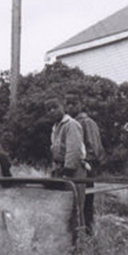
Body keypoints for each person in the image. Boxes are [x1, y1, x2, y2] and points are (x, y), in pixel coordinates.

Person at [46, 96, 89, 235]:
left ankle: (79, 242)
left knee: (75, 207)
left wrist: (68, 171)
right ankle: (65, 241)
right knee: (62, 207)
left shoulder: (71, 124)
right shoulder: (55, 127)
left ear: (62, 108)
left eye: (55, 107)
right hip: (61, 169)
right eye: (49, 109)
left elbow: (73, 150)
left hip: (73, 170)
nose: (52, 111)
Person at [65, 93, 104, 235]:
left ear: (81, 104)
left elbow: (94, 147)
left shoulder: (86, 122)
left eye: (73, 104)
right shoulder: (69, 123)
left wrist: (87, 162)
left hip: (85, 169)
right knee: (74, 203)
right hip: (73, 168)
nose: (70, 107)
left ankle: (87, 235)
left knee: (86, 204)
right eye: (68, 104)